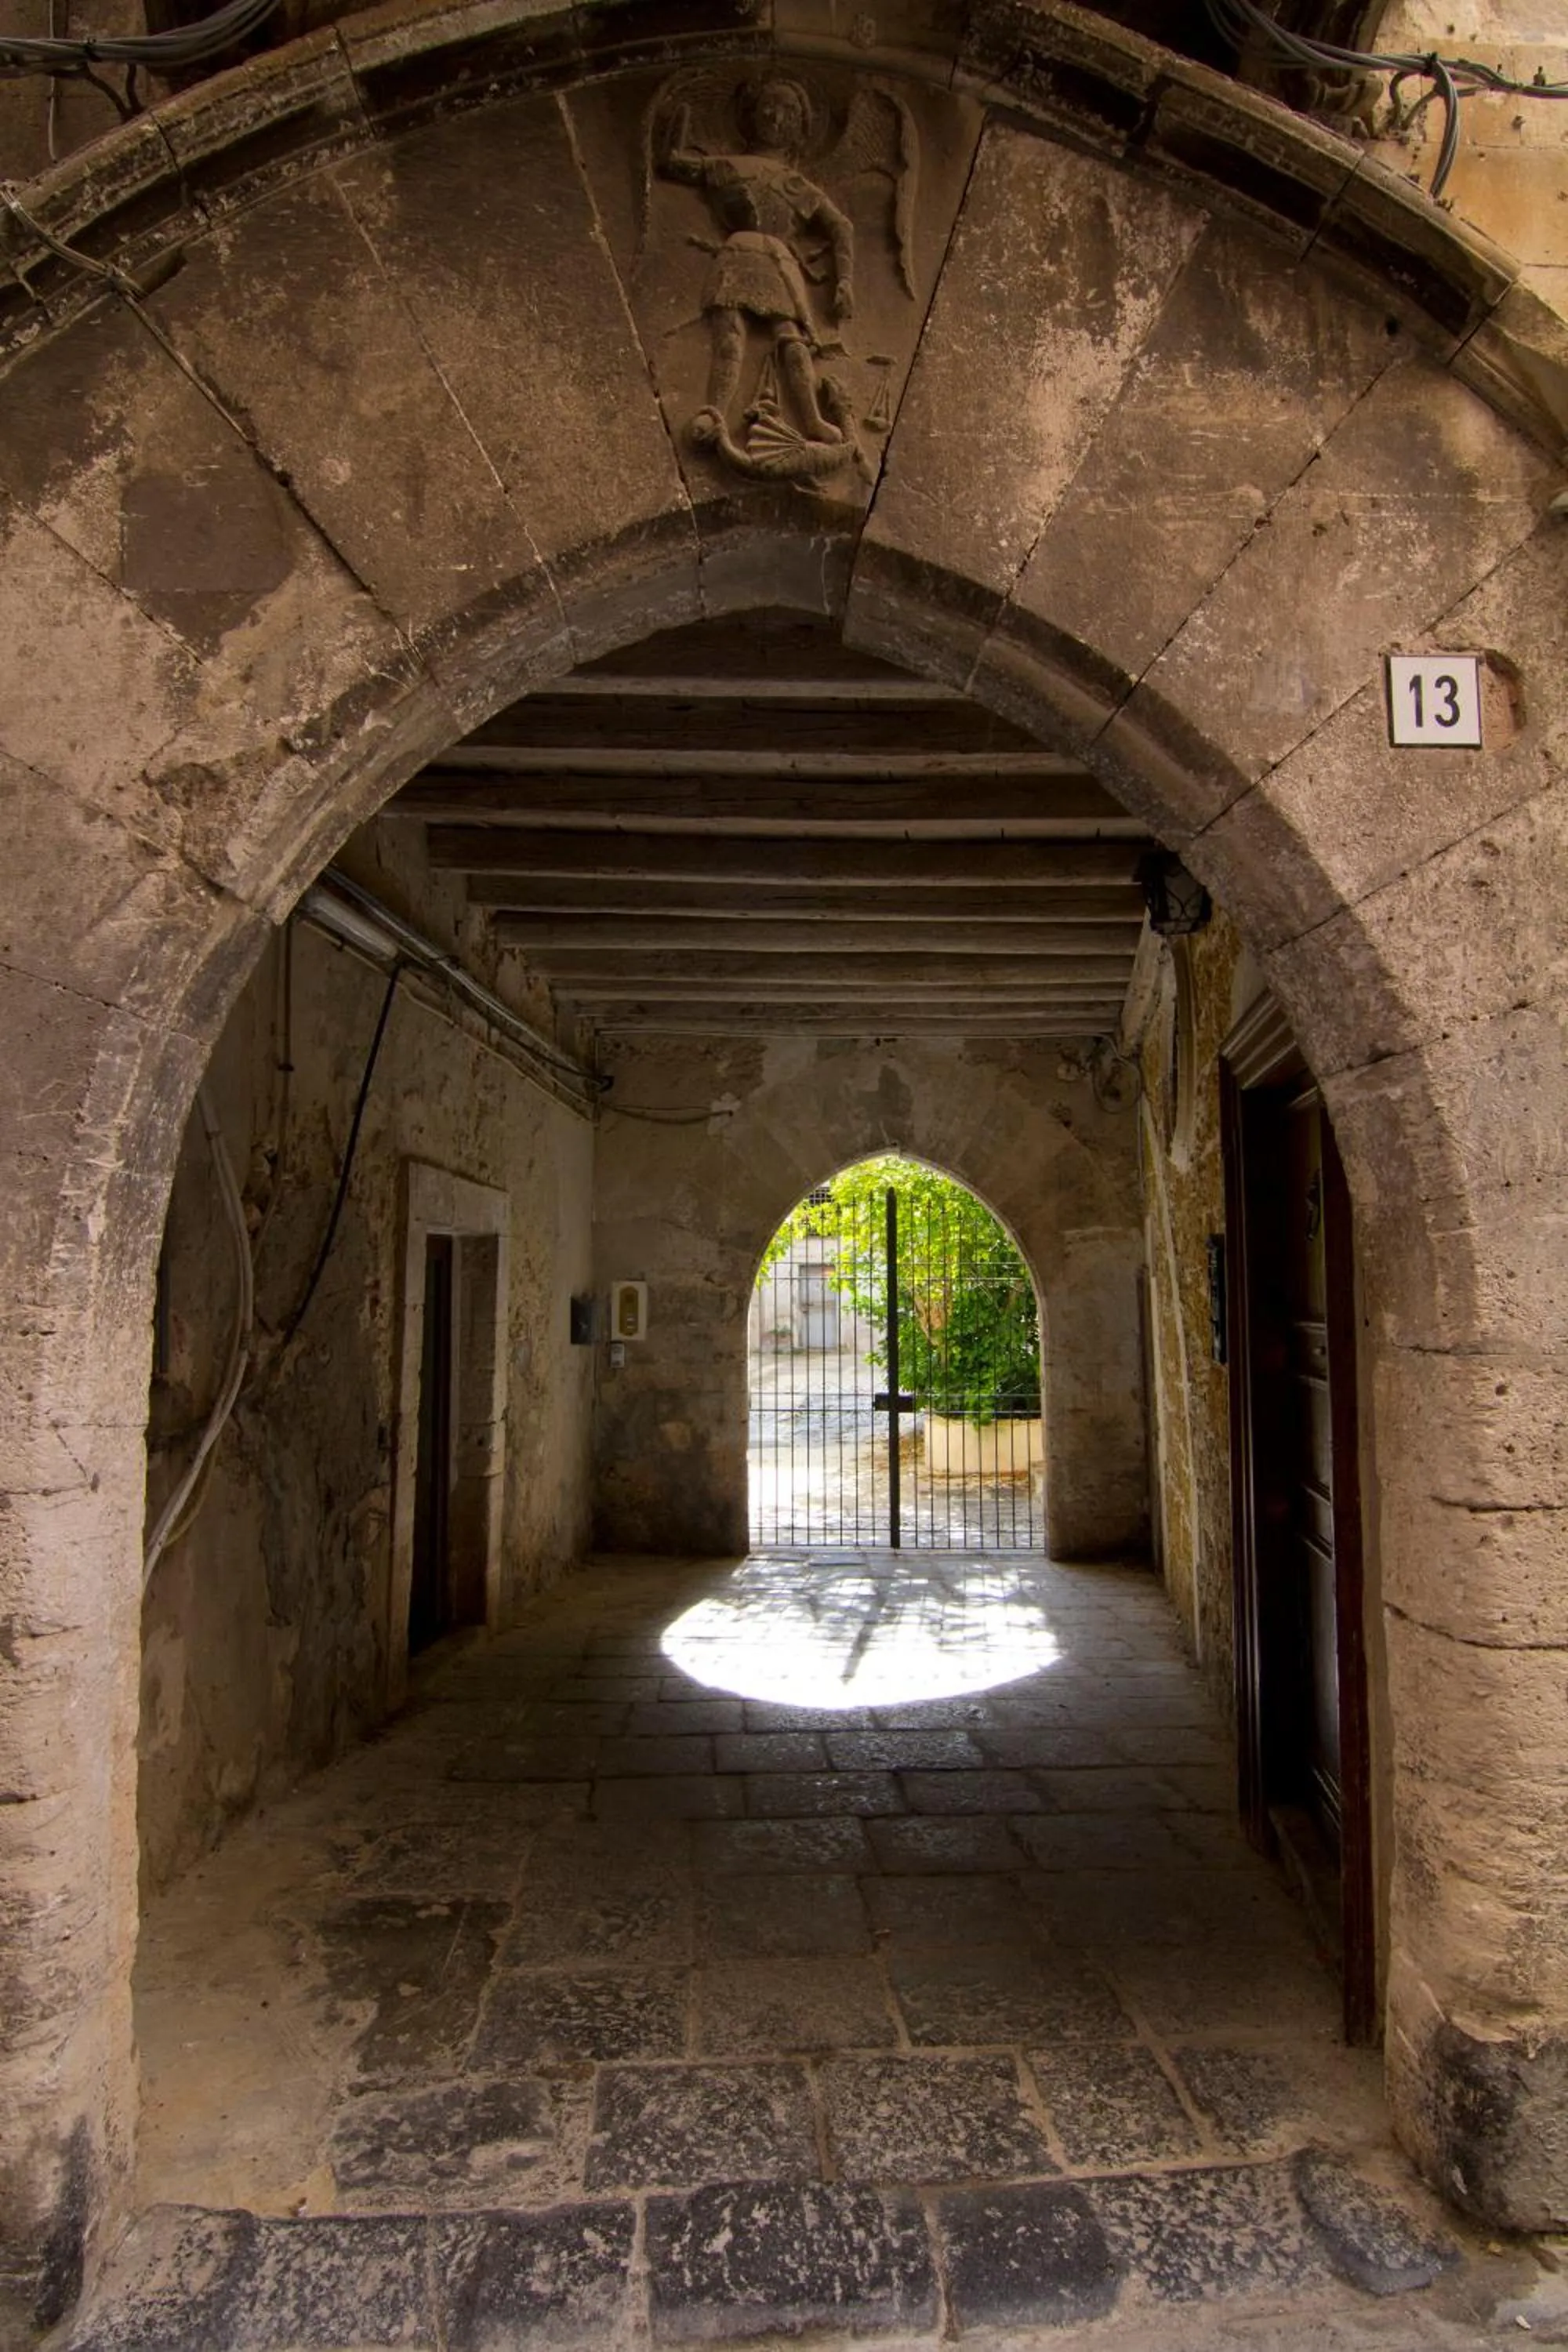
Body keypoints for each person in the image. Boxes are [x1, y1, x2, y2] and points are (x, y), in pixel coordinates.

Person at [657, 75, 855, 448]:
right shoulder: (729, 167)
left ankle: (811, 418)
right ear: (751, 115)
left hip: (779, 258)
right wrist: (676, 124)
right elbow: (675, 165)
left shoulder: (797, 186)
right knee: (729, 335)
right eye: (768, 106)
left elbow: (841, 227)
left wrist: (844, 282)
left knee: (791, 339)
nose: (776, 117)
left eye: (788, 110)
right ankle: (715, 410)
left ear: (801, 126)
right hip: (739, 252)